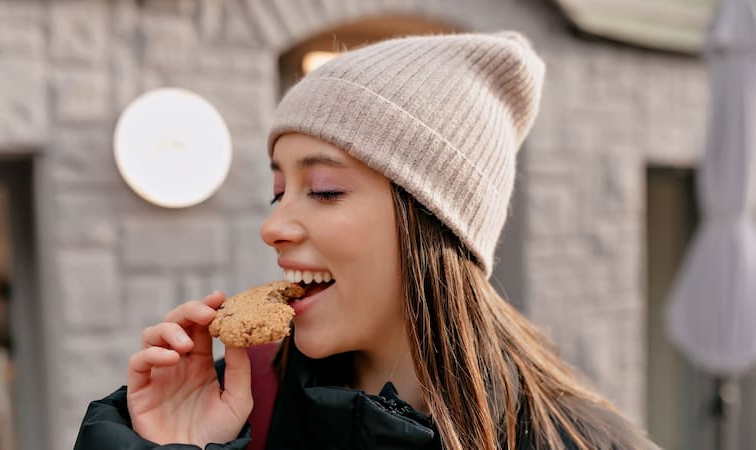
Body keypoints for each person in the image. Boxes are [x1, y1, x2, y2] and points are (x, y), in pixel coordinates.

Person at [75, 33, 658, 450]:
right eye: (279, 191)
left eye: (324, 189)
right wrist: (180, 448)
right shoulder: (243, 397)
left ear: (434, 223)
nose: (273, 226)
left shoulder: (576, 440)